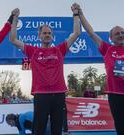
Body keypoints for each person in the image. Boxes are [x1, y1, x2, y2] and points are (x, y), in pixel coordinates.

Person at [77, 5, 124, 135]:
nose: (121, 35)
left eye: (123, 33)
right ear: (111, 38)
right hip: (116, 97)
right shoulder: (107, 49)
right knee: (121, 130)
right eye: (117, 33)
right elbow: (91, 33)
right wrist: (80, 14)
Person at [9, 3, 81, 135]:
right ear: (39, 36)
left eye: (49, 33)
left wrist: (76, 14)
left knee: (57, 129)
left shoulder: (59, 49)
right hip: (41, 95)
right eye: (44, 33)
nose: (47, 35)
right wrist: (14, 19)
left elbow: (77, 33)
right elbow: (13, 39)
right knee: (39, 129)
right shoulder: (33, 51)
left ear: (52, 36)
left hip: (59, 94)